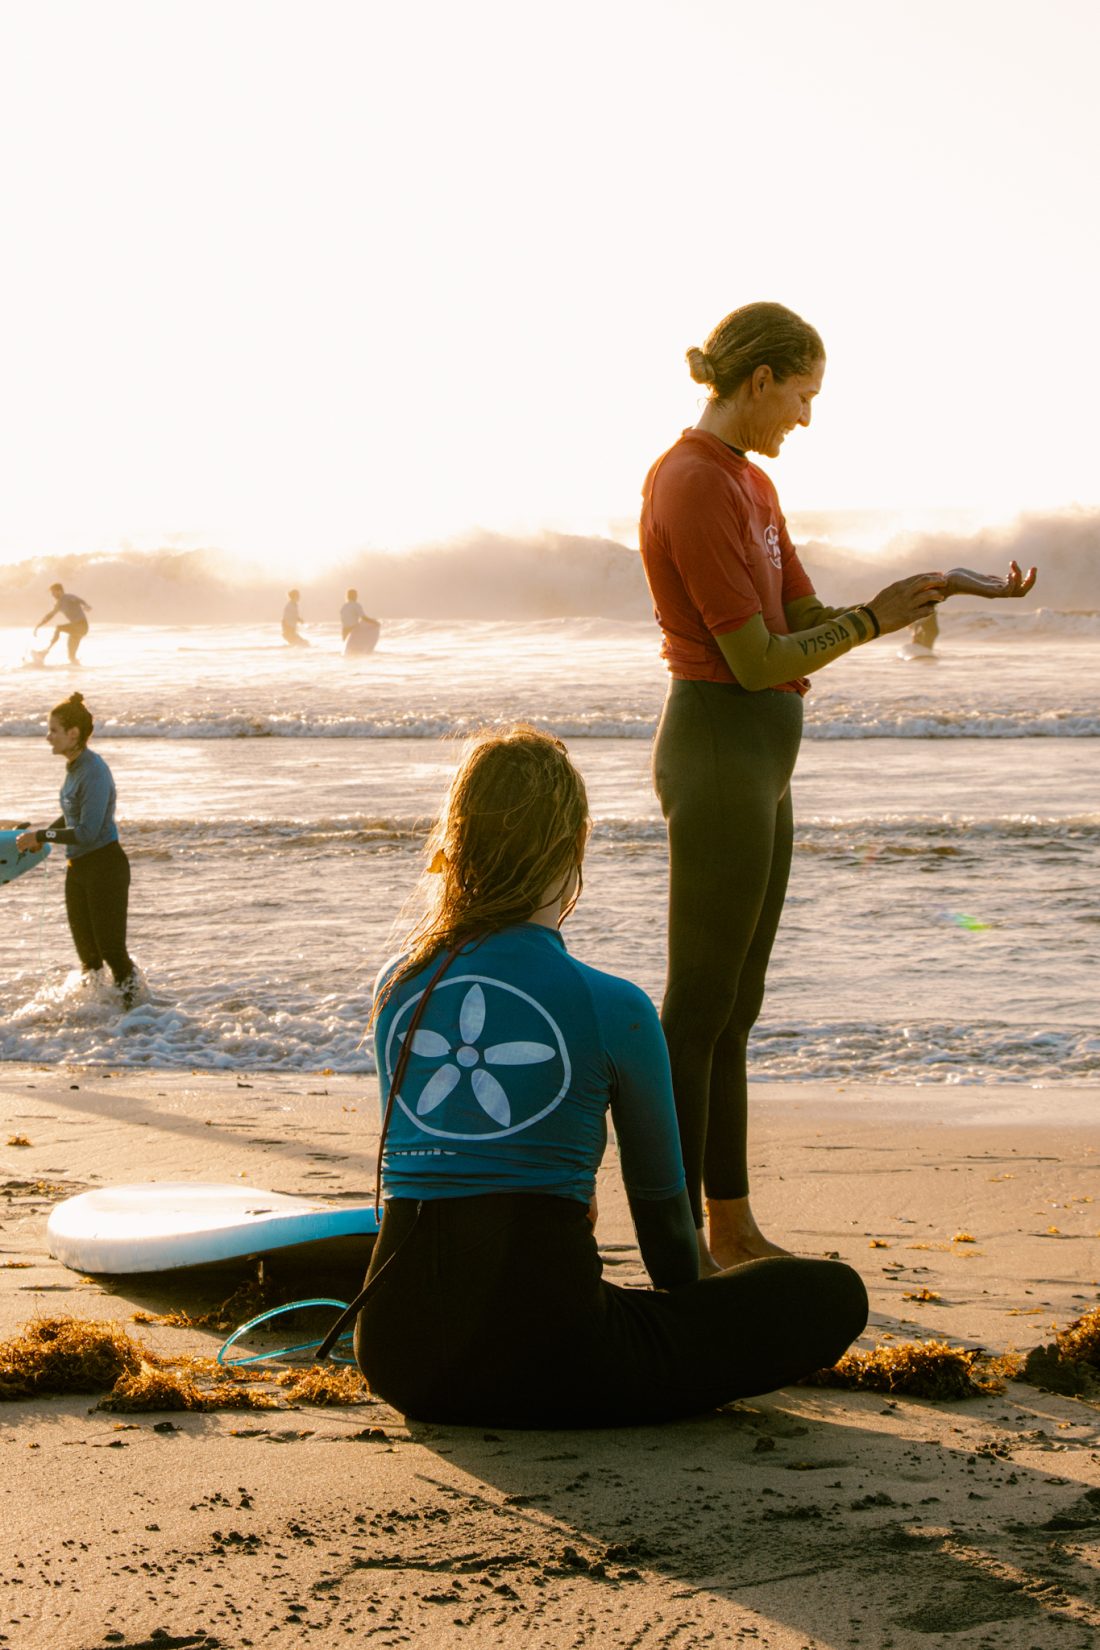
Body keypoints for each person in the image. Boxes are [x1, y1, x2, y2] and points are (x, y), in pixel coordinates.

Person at [639, 301, 1037, 1273]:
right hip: (719, 749)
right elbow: (753, 660)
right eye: (803, 394)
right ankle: (676, 1246)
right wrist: (873, 620)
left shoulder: (752, 482)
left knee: (737, 1007)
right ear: (760, 379)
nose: (807, 417)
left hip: (762, 760)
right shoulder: (691, 481)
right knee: (697, 1009)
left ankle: (730, 1227)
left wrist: (924, 591)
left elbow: (804, 615)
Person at [353, 726, 868, 1428]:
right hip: (553, 1356)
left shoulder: (398, 986)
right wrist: (695, 1314)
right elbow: (668, 1240)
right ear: (575, 846)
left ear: (456, 843)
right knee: (833, 1294)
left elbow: (424, 1166)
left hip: (397, 1356)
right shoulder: (613, 1006)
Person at [15, 693, 137, 1006]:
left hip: (105, 867)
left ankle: (139, 1018)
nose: (48, 737)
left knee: (112, 951)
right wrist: (42, 836)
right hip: (78, 869)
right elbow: (73, 816)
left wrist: (42, 834)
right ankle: (99, 1017)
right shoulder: (74, 767)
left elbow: (86, 832)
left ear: (73, 734)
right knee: (88, 957)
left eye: (53, 730)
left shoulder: (94, 771)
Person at [35, 584, 92, 664]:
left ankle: (44, 652)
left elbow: (79, 600)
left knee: (59, 628)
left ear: (60, 591)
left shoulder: (68, 597)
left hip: (81, 626)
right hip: (76, 630)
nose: (52, 595)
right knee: (71, 656)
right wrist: (39, 625)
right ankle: (76, 667)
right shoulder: (59, 604)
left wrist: (86, 605)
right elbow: (50, 615)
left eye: (53, 593)